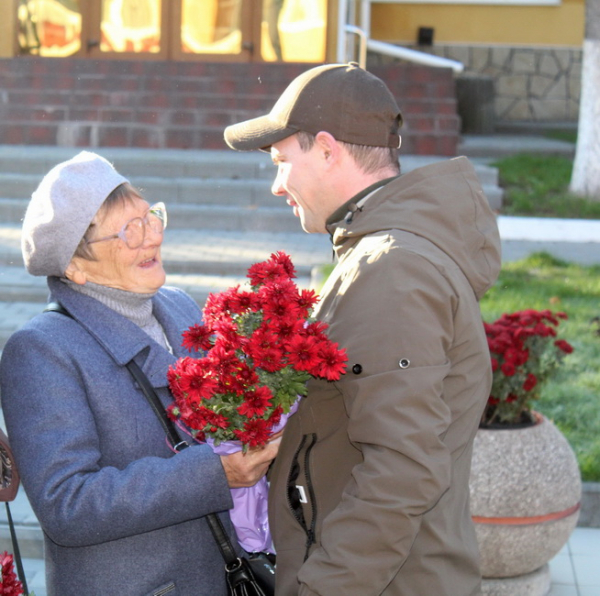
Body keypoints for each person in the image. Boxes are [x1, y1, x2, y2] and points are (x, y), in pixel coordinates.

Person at [223, 62, 502, 595]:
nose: (279, 185)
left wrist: (321, 588)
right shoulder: (382, 253)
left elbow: (402, 469)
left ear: (328, 150)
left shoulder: (391, 269)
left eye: (282, 161)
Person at [0, 151, 279, 596]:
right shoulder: (42, 350)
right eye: (129, 231)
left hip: (223, 575)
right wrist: (215, 473)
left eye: (151, 218)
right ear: (75, 266)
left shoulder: (178, 306)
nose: (151, 238)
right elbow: (67, 504)